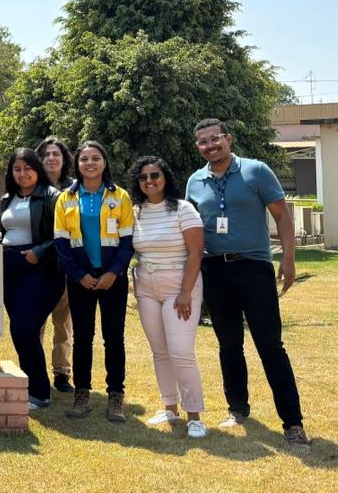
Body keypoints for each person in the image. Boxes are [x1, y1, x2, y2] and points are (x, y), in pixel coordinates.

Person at [186, 118, 309, 447]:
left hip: (253, 267)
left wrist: (288, 257)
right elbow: (190, 228)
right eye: (203, 142)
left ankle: (293, 423)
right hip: (214, 271)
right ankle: (237, 409)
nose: (210, 146)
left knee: (270, 346)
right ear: (198, 147)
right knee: (229, 345)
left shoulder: (256, 170)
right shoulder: (195, 181)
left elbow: (282, 215)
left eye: (215, 139)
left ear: (228, 138)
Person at [53, 140, 135, 422]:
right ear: (77, 164)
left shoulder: (120, 196)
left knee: (114, 338)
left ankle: (115, 398)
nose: (90, 163)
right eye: (84, 159)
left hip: (113, 278)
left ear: (104, 162)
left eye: (95, 158)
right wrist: (80, 275)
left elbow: (127, 241)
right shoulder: (66, 199)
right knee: (83, 339)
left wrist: (113, 273)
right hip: (81, 280)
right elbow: (61, 245)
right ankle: (82, 395)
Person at [127, 155, 207, 438]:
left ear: (165, 178)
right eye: (143, 177)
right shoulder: (135, 211)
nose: (149, 181)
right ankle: (169, 406)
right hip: (146, 286)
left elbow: (196, 252)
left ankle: (194, 415)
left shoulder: (184, 209)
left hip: (179, 285)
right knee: (160, 351)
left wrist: (185, 291)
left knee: (181, 351)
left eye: (155, 175)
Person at [0, 148, 65, 410]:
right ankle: (33, 390)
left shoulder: (52, 197)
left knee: (23, 328)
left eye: (27, 168)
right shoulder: (7, 199)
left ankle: (40, 393)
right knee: (23, 331)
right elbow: (5, 231)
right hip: (9, 269)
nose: (22, 174)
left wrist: (39, 252)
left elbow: (64, 235)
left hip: (40, 271)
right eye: (16, 169)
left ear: (37, 169)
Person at [37, 136, 75, 393]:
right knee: (35, 322)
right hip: (38, 265)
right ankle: (35, 370)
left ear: (64, 160)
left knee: (63, 323)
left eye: (56, 154)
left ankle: (62, 373)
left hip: (67, 264)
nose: (51, 158)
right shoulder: (32, 187)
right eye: (46, 154)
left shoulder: (76, 189)